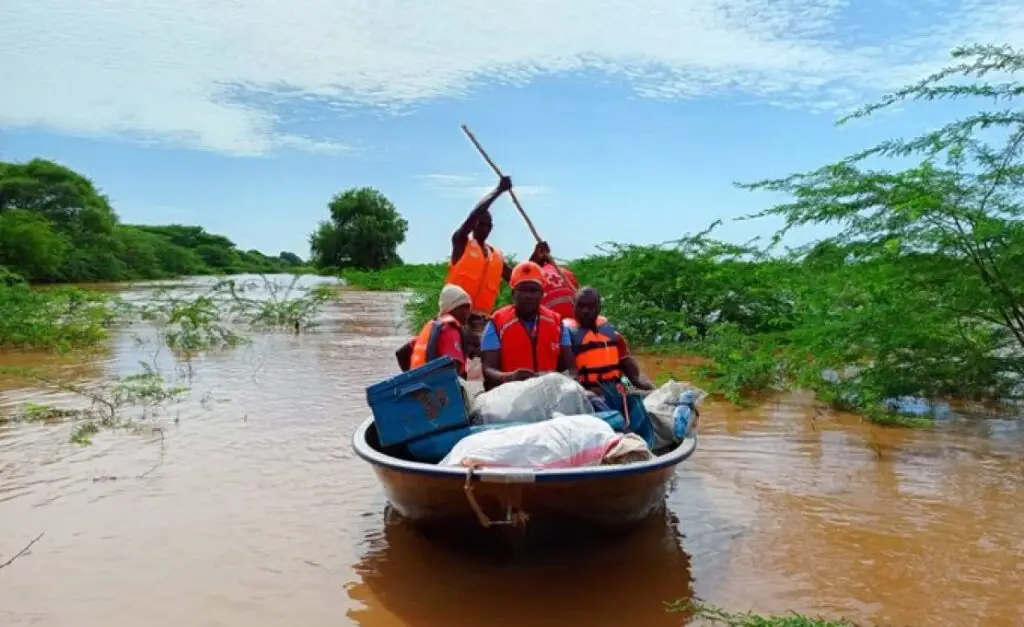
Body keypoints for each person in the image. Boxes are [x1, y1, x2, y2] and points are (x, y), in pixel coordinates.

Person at [564, 286, 656, 446]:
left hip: (614, 389)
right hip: (588, 393)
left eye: (591, 307)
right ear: (574, 306)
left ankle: (639, 442)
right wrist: (584, 391)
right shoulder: (567, 335)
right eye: (581, 306)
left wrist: (641, 383)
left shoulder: (612, 333)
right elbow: (570, 372)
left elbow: (627, 364)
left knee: (636, 405)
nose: (586, 311)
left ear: (599, 308)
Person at [480, 261, 576, 391]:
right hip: (510, 396)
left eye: (533, 290)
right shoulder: (496, 323)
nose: (528, 296)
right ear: (513, 293)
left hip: (549, 393)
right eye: (523, 290)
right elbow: (488, 369)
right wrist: (510, 377)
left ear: (542, 294)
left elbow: (570, 368)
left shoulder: (557, 322)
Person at [446, 175, 515, 320]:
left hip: (481, 319)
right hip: (454, 317)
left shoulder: (496, 256)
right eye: (481, 224)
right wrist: (498, 191)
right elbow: (474, 214)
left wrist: (537, 257)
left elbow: (517, 278)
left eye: (488, 225)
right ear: (473, 225)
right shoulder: (461, 242)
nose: (485, 228)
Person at [395, 284, 475, 378]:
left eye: (468, 307)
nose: (467, 311)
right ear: (451, 308)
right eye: (462, 307)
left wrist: (410, 378)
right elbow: (454, 368)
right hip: (437, 387)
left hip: (421, 385)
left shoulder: (433, 326)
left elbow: (401, 353)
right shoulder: (450, 330)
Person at [529, 240, 579, 320]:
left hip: (550, 322)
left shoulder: (535, 278)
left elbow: (525, 274)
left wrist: (534, 256)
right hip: (573, 322)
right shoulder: (566, 273)